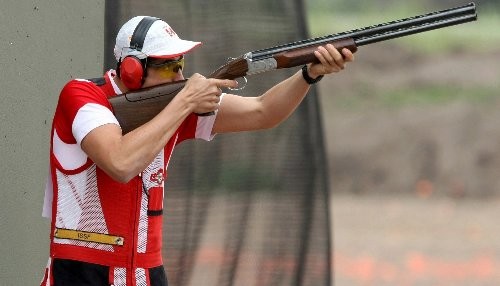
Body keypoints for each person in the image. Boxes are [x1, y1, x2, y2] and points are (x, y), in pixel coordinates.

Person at [39, 16, 353, 286]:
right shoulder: (82, 94)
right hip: (81, 271)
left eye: (181, 64)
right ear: (132, 69)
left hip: (146, 272)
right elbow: (120, 163)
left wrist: (309, 74)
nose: (180, 76)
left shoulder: (173, 106)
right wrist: (186, 102)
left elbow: (263, 111)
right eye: (168, 66)